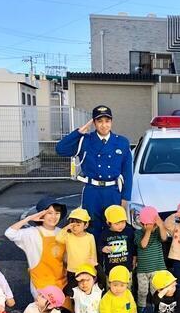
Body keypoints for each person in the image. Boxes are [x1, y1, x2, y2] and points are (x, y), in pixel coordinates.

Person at [55, 105, 133, 242]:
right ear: (94, 123)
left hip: (113, 191)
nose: (104, 125)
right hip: (92, 192)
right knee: (91, 227)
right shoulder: (85, 140)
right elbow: (60, 149)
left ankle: (111, 262)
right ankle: (94, 261)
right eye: (100, 121)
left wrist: (125, 198)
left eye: (107, 121)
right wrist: (79, 132)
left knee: (114, 227)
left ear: (111, 122)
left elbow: (127, 172)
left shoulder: (121, 142)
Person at [5, 196, 68, 306]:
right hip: (41, 286)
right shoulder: (31, 233)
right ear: (41, 214)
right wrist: (28, 219)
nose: (54, 216)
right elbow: (9, 233)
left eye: (57, 213)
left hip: (62, 283)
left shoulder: (62, 233)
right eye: (50, 213)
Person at [55, 207, 97, 296]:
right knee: (73, 294)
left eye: (78, 225)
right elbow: (58, 239)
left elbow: (93, 254)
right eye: (72, 224)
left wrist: (94, 270)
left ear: (86, 225)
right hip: (72, 271)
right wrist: (66, 228)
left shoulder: (90, 237)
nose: (74, 227)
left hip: (86, 270)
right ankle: (75, 309)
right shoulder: (68, 236)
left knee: (86, 292)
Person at [135, 206, 168, 312]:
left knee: (156, 290)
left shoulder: (158, 231)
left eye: (150, 225)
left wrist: (161, 225)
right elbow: (143, 245)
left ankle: (156, 306)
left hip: (157, 268)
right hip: (143, 270)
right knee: (142, 291)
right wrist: (148, 231)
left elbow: (164, 238)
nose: (147, 227)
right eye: (145, 225)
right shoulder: (138, 233)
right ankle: (141, 307)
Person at [99, 205, 136, 290]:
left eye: (123, 222)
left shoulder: (129, 231)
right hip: (111, 269)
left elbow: (133, 246)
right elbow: (99, 246)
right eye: (117, 223)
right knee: (111, 289)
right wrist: (103, 248)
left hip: (126, 268)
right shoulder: (104, 234)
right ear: (109, 223)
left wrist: (134, 258)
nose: (121, 226)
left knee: (127, 288)